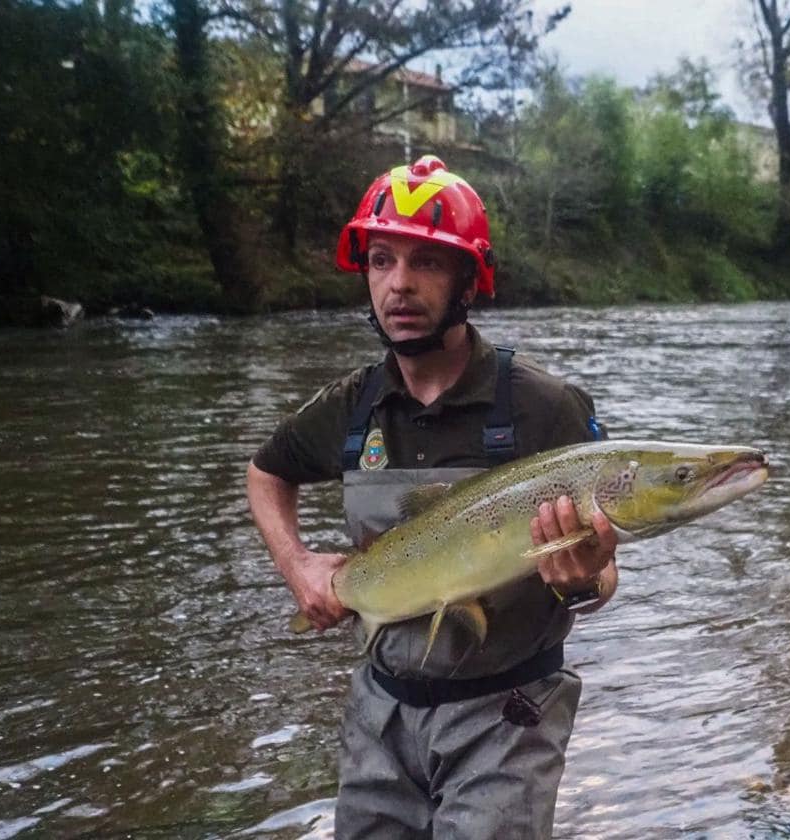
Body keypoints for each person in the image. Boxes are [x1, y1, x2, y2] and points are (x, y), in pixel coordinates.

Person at [246, 154, 619, 839]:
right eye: (382, 260)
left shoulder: (545, 408)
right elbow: (267, 472)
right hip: (377, 715)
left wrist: (584, 578)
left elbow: (602, 580)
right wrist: (296, 564)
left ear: (468, 280)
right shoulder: (350, 407)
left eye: (428, 263)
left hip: (508, 717)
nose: (399, 285)